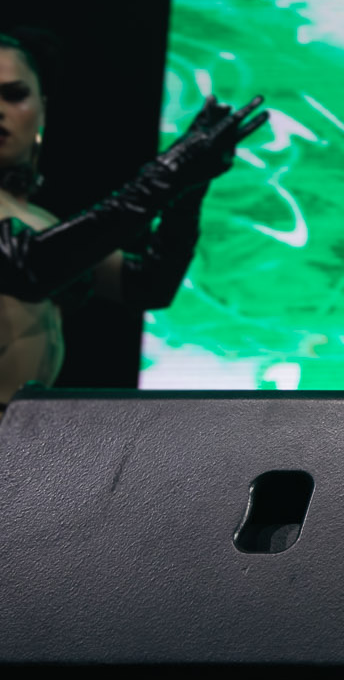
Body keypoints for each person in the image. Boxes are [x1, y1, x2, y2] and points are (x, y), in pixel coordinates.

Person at [0, 30, 268, 407]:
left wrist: (188, 189)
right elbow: (30, 266)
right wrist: (168, 175)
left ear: (42, 109)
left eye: (14, 95)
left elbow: (147, 285)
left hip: (25, 436)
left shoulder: (39, 220)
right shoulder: (33, 240)